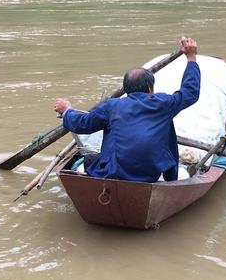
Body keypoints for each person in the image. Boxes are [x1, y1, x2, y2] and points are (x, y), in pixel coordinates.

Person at [54, 36, 200, 182]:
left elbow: (82, 123)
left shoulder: (112, 106)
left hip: (114, 173)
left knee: (89, 160)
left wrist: (67, 110)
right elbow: (190, 92)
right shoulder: (163, 103)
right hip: (150, 174)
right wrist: (191, 57)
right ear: (150, 88)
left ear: (126, 90)